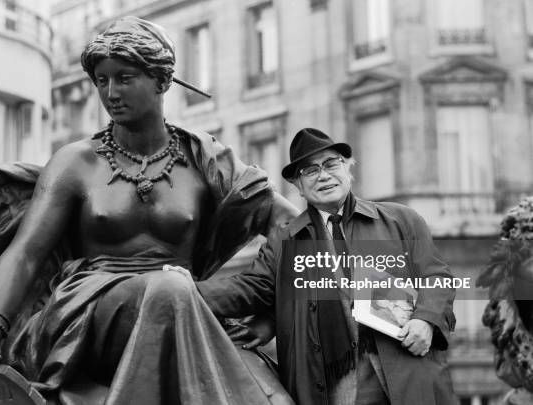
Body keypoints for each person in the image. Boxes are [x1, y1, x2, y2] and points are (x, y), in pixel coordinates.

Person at [0, 16, 298, 405]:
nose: (111, 93)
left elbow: (292, 226)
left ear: (162, 80)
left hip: (187, 306)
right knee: (171, 288)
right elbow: (25, 255)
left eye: (124, 78)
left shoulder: (206, 161)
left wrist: (271, 313)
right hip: (90, 313)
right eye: (101, 81)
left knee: (267, 392)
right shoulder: (76, 163)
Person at [181, 128, 458, 405]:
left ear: (348, 168)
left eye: (330, 164)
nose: (323, 175)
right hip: (332, 388)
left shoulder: (401, 219)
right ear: (298, 186)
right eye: (309, 171)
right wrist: (188, 290)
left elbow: (437, 277)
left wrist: (426, 320)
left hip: (407, 377)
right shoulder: (284, 240)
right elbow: (253, 286)